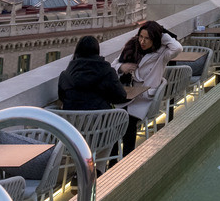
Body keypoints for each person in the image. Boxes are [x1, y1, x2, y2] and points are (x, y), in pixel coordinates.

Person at [117, 20, 181, 155]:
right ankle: (112, 160)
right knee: (115, 120)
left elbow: (177, 48)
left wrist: (162, 34)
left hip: (145, 99)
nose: (142, 41)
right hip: (128, 94)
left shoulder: (162, 53)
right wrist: (122, 67)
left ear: (156, 39)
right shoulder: (131, 47)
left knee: (128, 121)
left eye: (147, 38)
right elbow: (113, 66)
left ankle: (128, 157)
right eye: (141, 37)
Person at [57, 34, 127, 110]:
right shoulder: (108, 72)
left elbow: (62, 97)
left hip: (72, 117)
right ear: (97, 51)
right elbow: (121, 96)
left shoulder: (65, 75)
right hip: (101, 116)